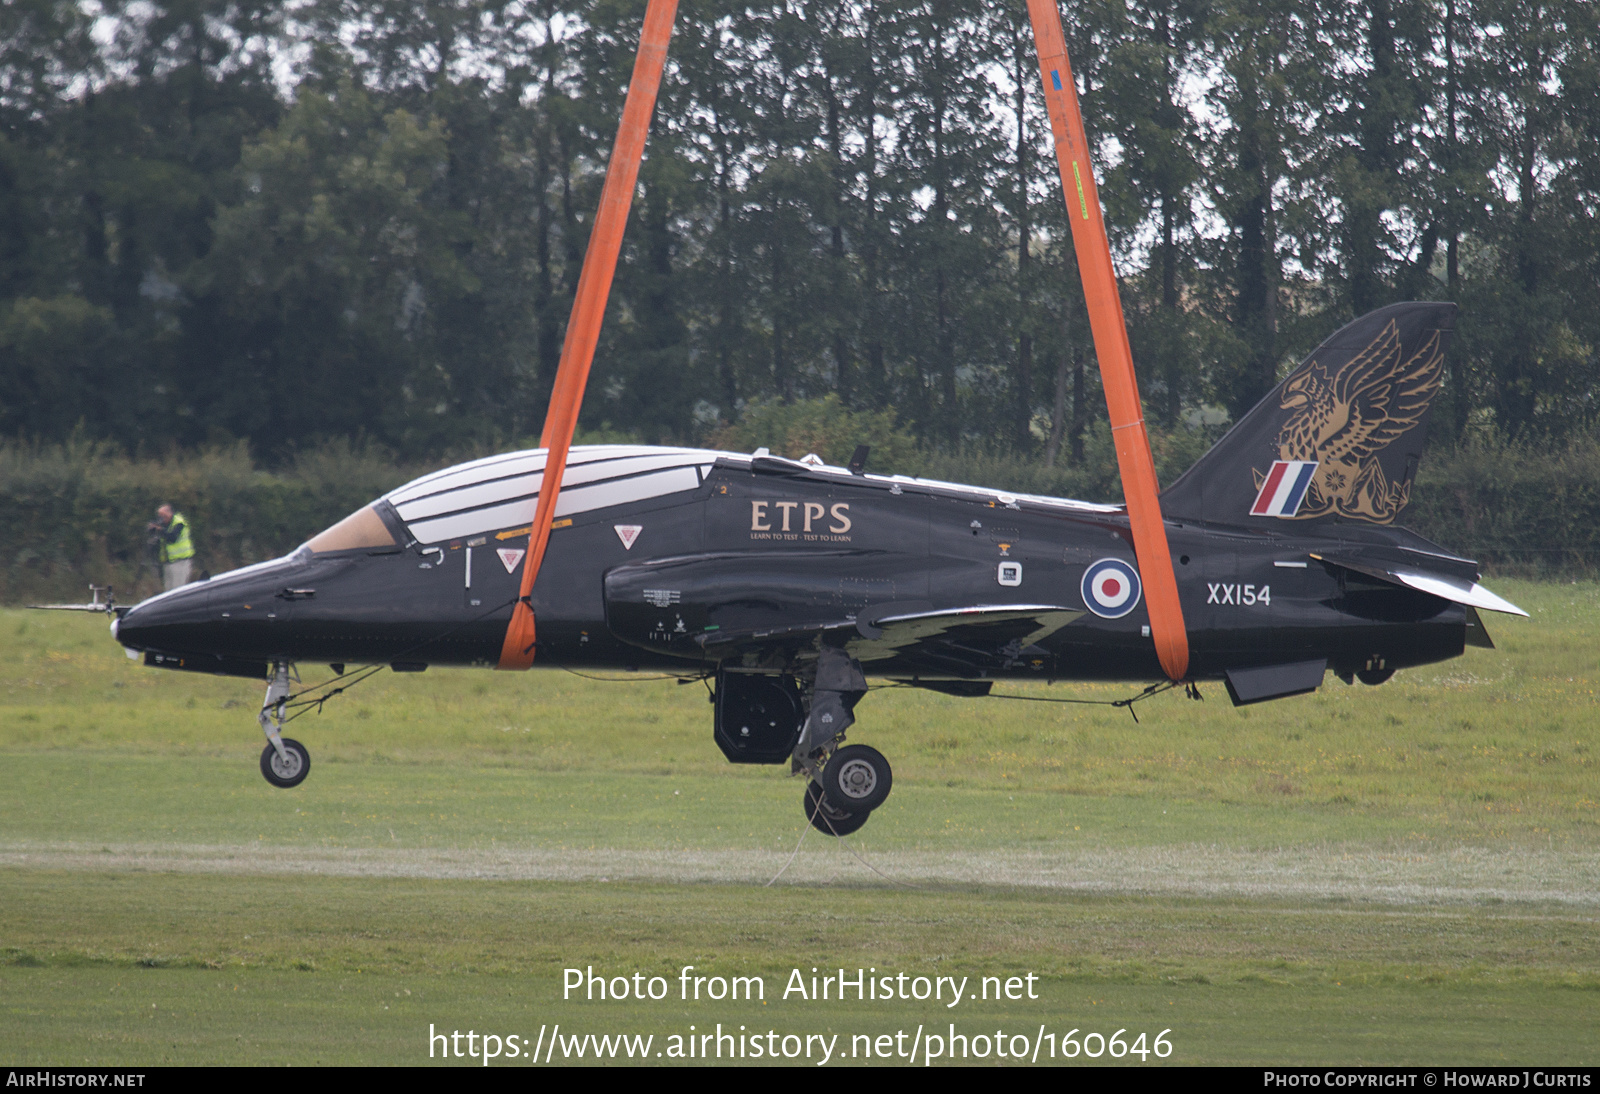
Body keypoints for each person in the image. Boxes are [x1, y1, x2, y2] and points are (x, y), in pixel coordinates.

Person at [149, 504, 196, 590]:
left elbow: (172, 538)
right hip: (168, 561)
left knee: (178, 589)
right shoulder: (164, 524)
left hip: (181, 561)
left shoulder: (179, 523)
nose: (161, 518)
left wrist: (160, 530)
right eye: (160, 516)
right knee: (168, 590)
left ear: (170, 513)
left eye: (163, 515)